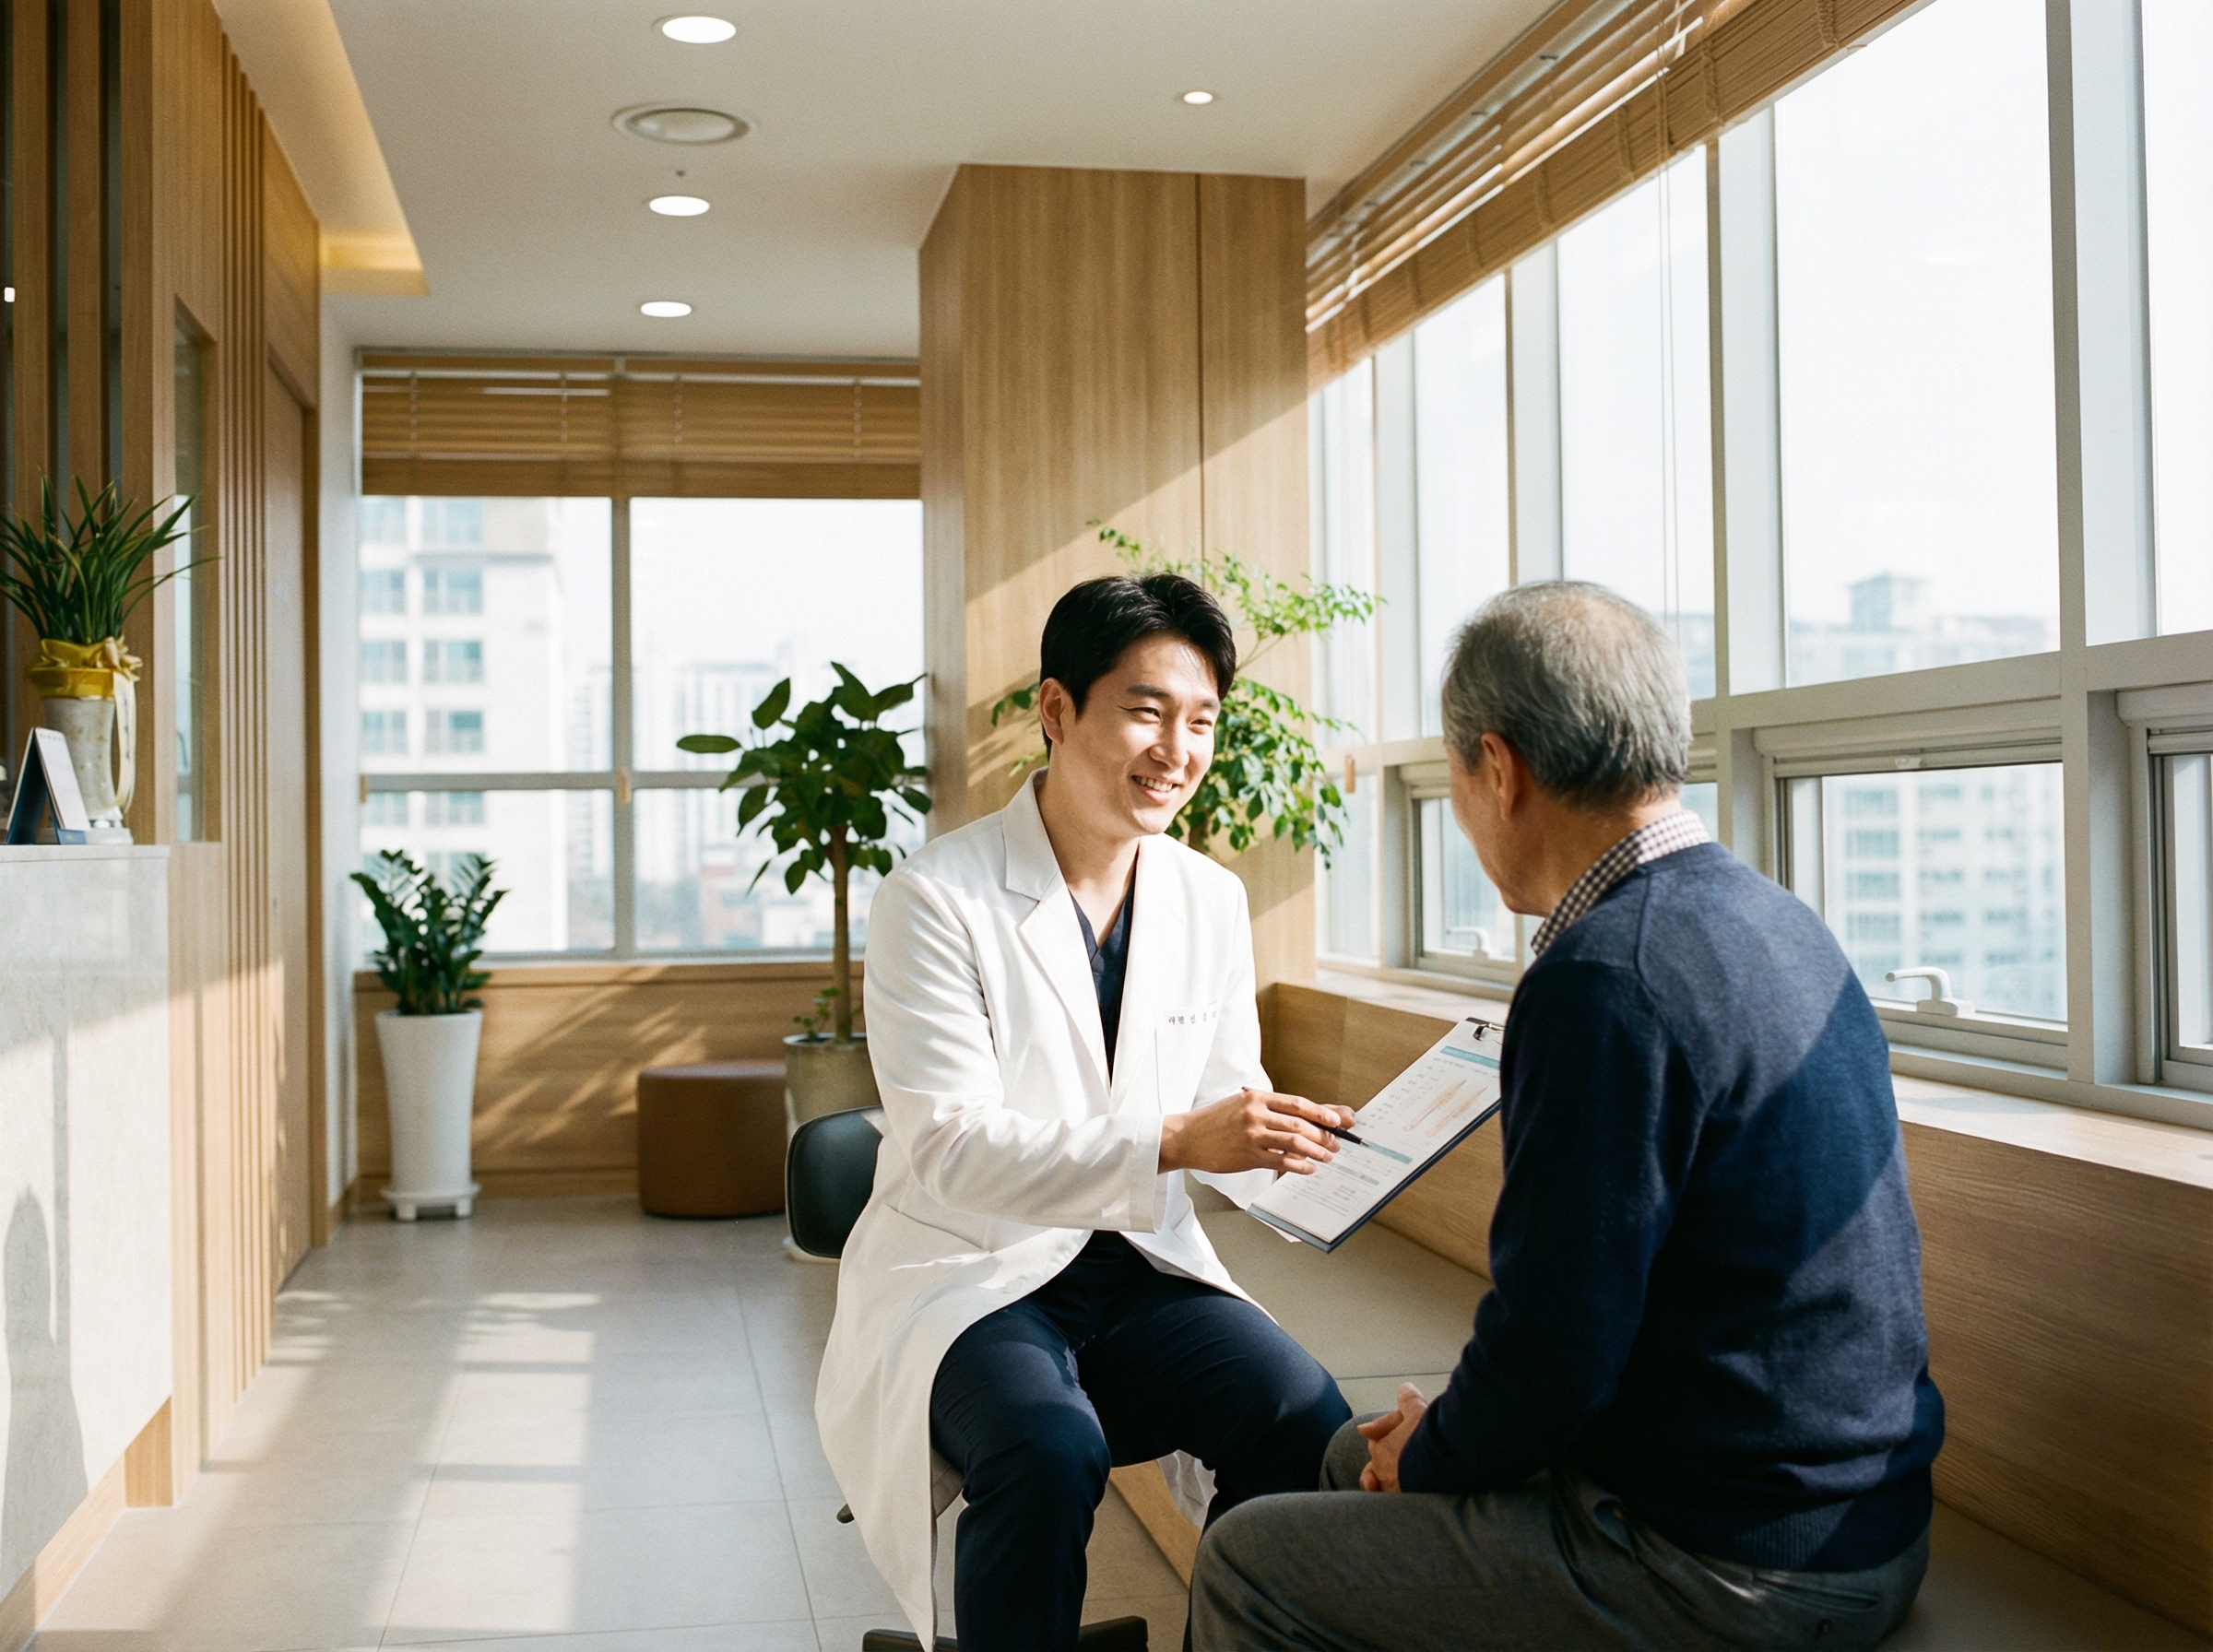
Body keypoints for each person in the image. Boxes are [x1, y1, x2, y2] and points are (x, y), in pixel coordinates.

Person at [1189, 581, 1947, 1651]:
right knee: (1347, 1458)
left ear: (1499, 769)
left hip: (1734, 1562)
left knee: (1246, 1563)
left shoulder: (1605, 978)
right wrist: (1444, 1439)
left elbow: (1557, 1351)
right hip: (1853, 1511)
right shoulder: (1774, 919)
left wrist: (1437, 1450)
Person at [817, 572, 1355, 1651]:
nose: (1178, 749)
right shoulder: (935, 898)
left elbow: (1225, 1100)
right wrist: (1178, 1139)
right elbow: (953, 1148)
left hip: (1140, 1262)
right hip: (975, 1269)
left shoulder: (1208, 898)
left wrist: (1304, 1144)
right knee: (1046, 1447)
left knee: (1304, 1416)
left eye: (1201, 720)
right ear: (1057, 711)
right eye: (1147, 711)